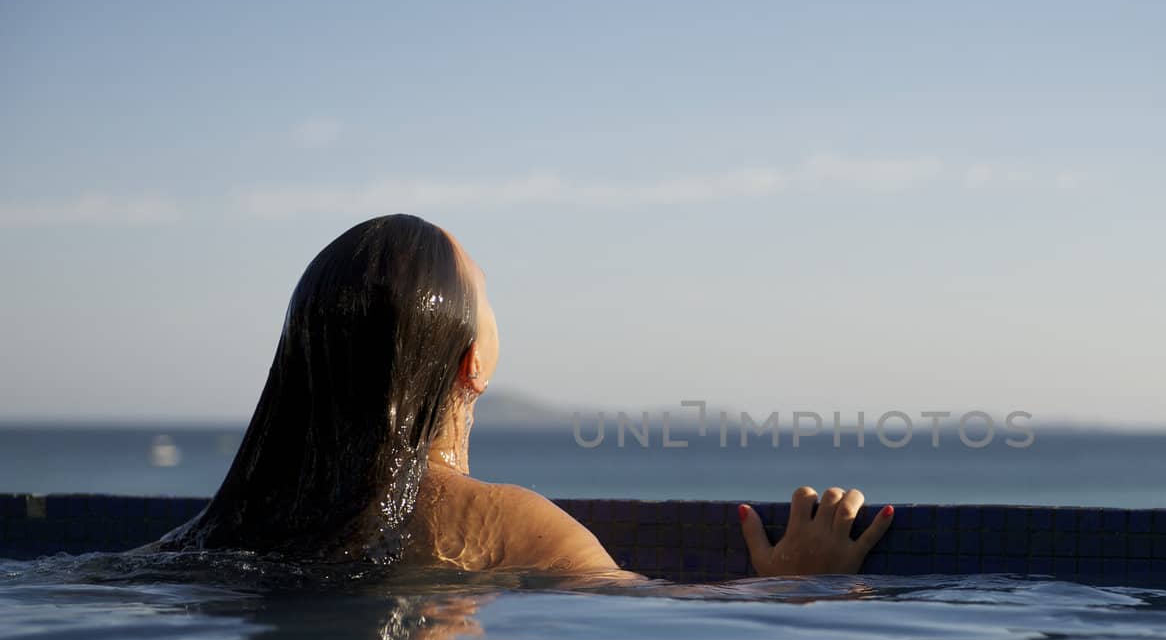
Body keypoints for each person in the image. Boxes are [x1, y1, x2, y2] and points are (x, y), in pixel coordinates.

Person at [162, 214, 892, 576]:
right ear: (472, 362)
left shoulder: (231, 527)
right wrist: (802, 584)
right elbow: (646, 621)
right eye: (488, 290)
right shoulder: (509, 529)